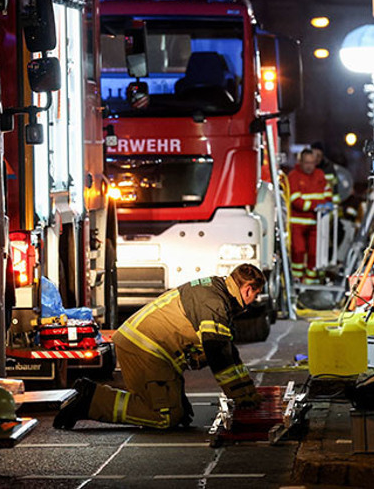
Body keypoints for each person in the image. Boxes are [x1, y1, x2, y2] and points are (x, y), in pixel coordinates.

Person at [53, 264, 265, 430]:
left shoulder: (216, 292)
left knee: (178, 412)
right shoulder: (215, 305)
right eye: (256, 295)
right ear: (247, 290)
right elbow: (219, 357)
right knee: (165, 417)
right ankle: (91, 400)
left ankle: (91, 395)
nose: (254, 300)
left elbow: (229, 353)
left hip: (148, 348)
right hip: (143, 349)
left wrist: (249, 395)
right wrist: (242, 399)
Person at [289, 149, 333, 284]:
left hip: (316, 221)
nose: (309, 166)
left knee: (315, 253)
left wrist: (323, 205)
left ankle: (310, 282)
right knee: (298, 251)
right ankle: (296, 280)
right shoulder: (293, 176)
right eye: (307, 162)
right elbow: (295, 200)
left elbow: (328, 194)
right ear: (300, 162)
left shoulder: (320, 174)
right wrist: (316, 206)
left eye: (312, 163)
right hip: (298, 222)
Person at [311, 141, 341, 206]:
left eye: (318, 156)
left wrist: (335, 204)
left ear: (322, 156)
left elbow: (334, 186)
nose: (316, 158)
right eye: (313, 155)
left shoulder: (329, 168)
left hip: (326, 202)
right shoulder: (308, 168)